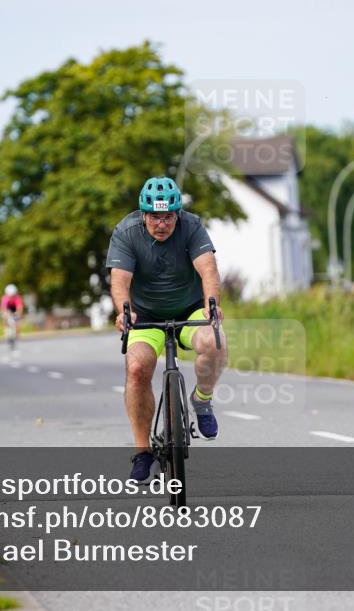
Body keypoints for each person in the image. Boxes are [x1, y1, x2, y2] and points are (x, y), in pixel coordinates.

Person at [105, 176, 228, 482]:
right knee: (137, 368)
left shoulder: (192, 227)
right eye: (155, 217)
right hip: (144, 314)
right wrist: (124, 310)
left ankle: (201, 399)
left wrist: (212, 306)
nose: (162, 224)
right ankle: (142, 451)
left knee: (216, 341)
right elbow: (120, 280)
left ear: (177, 214)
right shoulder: (126, 231)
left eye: (168, 217)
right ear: (143, 215)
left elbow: (208, 269)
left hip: (188, 309)